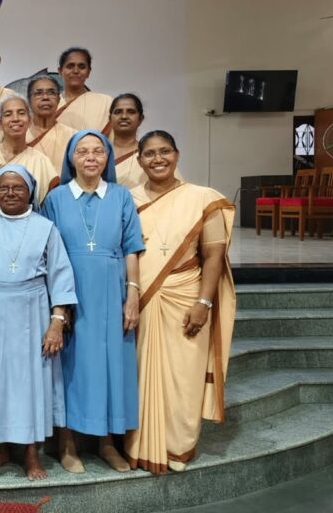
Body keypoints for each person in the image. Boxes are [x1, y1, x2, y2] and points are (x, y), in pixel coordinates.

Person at [124, 131, 235, 474]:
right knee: (141, 374)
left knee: (184, 377)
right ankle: (141, 446)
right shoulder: (126, 199)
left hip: (187, 296)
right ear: (139, 160)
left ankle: (179, 447)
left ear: (177, 154)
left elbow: (213, 255)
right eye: (149, 153)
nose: (158, 159)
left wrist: (204, 302)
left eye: (165, 151)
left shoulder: (203, 198)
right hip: (141, 300)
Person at [42, 130, 144, 474]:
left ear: (107, 158)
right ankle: (67, 444)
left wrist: (133, 295)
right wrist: (58, 307)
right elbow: (48, 253)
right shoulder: (55, 199)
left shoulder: (121, 196)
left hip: (112, 291)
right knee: (69, 368)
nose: (90, 157)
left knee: (112, 365)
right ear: (71, 158)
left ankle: (107, 443)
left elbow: (131, 248)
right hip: (71, 292)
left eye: (98, 151)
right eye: (82, 151)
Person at [0, 165, 76, 481]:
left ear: (30, 191)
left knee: (31, 382)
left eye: (18, 187)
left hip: (32, 312)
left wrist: (56, 323)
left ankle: (31, 453)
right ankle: (0, 449)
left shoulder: (46, 228)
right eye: (3, 188)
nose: (10, 193)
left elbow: (60, 276)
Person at [0, 95, 59, 213]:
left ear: (30, 121)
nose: (15, 119)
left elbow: (52, 204)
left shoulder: (41, 160)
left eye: (21, 113)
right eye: (8, 114)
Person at [55, 47, 113, 135]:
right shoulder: (51, 104)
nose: (76, 71)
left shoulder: (106, 102)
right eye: (70, 66)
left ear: (88, 72)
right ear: (60, 71)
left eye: (81, 67)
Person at [26, 75, 76, 174]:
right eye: (38, 93)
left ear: (58, 99)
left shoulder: (73, 136)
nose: (45, 97)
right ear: (29, 101)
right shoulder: (19, 135)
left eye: (51, 93)